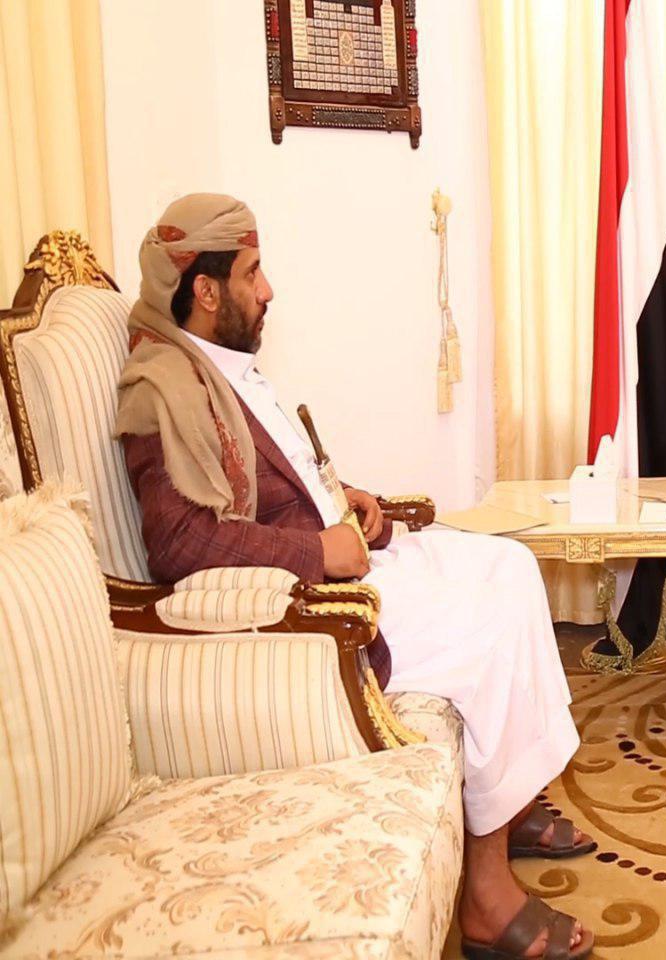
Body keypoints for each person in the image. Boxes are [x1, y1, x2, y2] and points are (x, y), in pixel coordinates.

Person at [116, 193, 594, 960]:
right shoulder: (161, 387)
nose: (268, 289)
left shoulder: (221, 367)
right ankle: (485, 895)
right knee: (488, 623)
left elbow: (277, 483)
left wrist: (347, 499)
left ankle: (504, 798)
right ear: (205, 290)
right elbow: (177, 541)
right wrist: (319, 552)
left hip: (345, 557)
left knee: (509, 562)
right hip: (305, 602)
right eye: (252, 272)